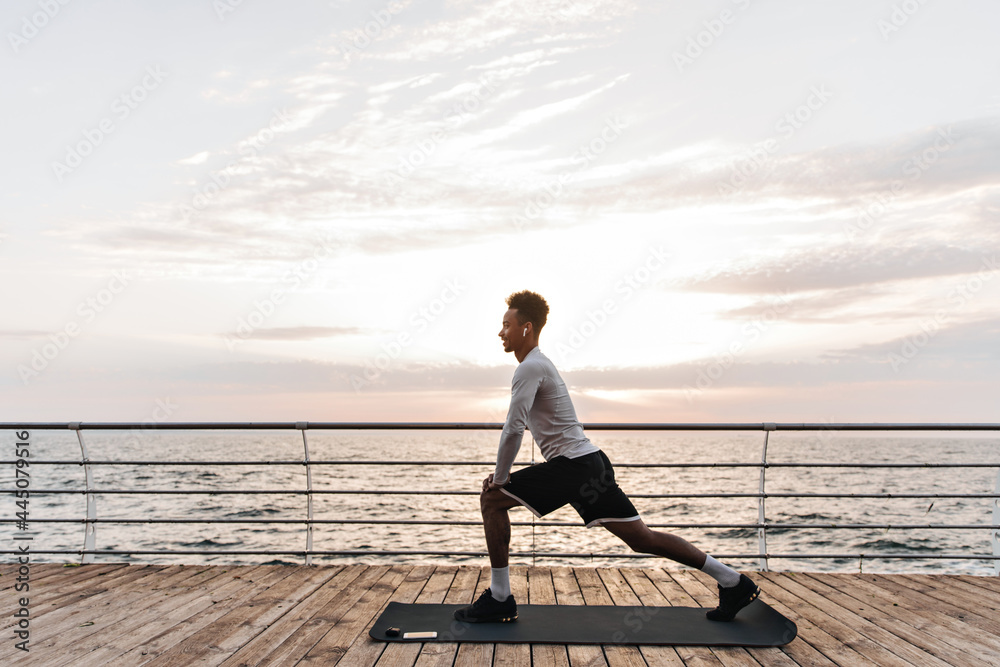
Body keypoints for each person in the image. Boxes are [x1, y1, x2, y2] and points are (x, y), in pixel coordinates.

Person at [455, 290, 760, 624]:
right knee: (642, 539)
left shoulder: (530, 368)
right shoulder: (539, 365)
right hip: (589, 464)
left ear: (526, 328)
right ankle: (734, 581)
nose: (501, 332)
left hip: (574, 467)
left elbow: (513, 428)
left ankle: (500, 598)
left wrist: (500, 480)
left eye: (506, 325)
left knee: (492, 500)